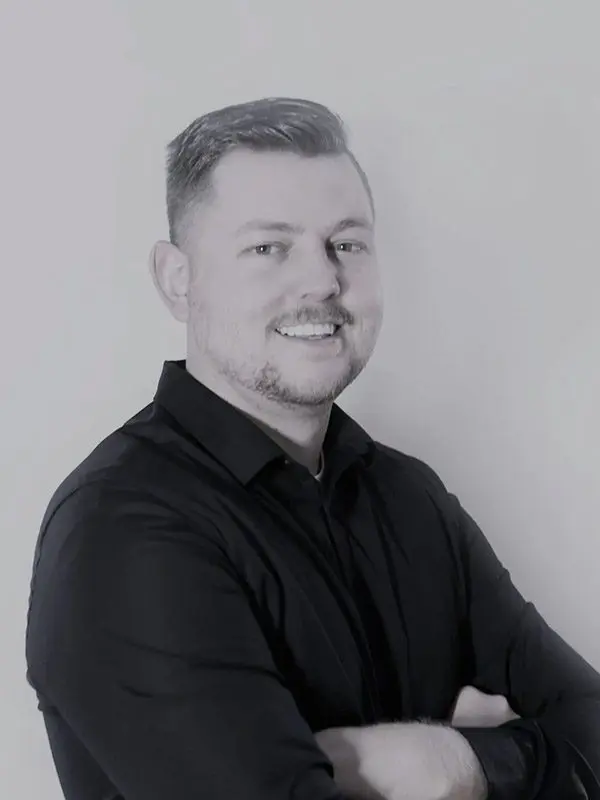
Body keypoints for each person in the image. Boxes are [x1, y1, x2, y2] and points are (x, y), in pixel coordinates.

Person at [25, 97, 600, 800]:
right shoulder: (123, 528)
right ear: (177, 279)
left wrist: (452, 763)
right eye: (268, 247)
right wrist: (528, 759)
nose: (322, 280)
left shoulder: (410, 497)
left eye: (347, 243)